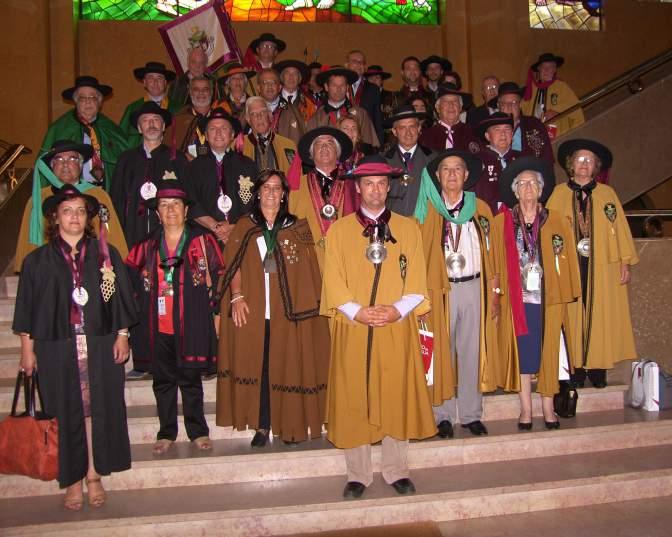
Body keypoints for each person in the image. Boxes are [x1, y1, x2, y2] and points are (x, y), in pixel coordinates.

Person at [14, 184, 137, 510]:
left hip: (98, 344)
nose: (74, 217)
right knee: (64, 411)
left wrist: (122, 334)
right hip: (57, 345)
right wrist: (28, 350)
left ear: (88, 218)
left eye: (81, 211)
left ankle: (94, 474)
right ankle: (72, 479)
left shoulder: (104, 255)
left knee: (96, 410)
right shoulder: (37, 261)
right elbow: (27, 308)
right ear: (55, 217)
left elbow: (121, 297)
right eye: (67, 211)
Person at [321, 155, 436, 499]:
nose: (375, 190)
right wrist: (356, 311)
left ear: (390, 187)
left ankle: (396, 469)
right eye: (368, 183)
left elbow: (417, 280)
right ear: (357, 189)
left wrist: (397, 311)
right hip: (354, 327)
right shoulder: (339, 231)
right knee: (353, 394)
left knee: (394, 392)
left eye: (381, 183)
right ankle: (358, 473)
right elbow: (333, 280)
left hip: (393, 327)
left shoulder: (407, 228)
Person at [216, 170, 330, 447]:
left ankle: (290, 425)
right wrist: (237, 297)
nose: (271, 193)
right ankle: (262, 426)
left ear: (283, 195)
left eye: (277, 188)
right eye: (266, 187)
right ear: (257, 192)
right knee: (262, 367)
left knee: (288, 366)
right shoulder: (245, 226)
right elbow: (234, 264)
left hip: (288, 313)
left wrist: (305, 311)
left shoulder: (298, 227)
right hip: (254, 311)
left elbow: (308, 273)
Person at [125, 180, 223, 455]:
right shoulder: (145, 245)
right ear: (157, 213)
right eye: (164, 205)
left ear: (186, 210)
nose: (170, 211)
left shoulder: (202, 241)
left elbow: (220, 275)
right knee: (163, 380)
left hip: (191, 323)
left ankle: (198, 431)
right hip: (157, 325)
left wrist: (215, 312)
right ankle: (166, 431)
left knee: (191, 380)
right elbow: (129, 280)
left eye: (176, 205)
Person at [414, 150, 499, 438]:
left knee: (472, 351)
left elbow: (493, 253)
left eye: (457, 169)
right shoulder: (426, 212)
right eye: (446, 169)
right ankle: (443, 415)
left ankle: (472, 414)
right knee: (442, 353)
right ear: (437, 176)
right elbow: (418, 255)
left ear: (466, 175)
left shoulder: (481, 209)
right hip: (441, 290)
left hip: (474, 287)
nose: (451, 174)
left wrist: (495, 290)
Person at [494, 157, 581, 430]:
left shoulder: (556, 220)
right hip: (517, 301)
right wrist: (496, 294)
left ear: (541, 189)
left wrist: (567, 291)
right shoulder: (502, 222)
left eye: (533, 183)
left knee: (549, 353)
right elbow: (495, 262)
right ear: (515, 191)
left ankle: (548, 407)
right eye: (522, 184)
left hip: (549, 299)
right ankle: (526, 409)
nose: (528, 188)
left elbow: (568, 260)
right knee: (524, 353)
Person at [546, 139, 638, 388]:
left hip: (601, 266)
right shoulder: (558, 193)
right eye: (579, 159)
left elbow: (619, 230)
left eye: (589, 161)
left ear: (596, 166)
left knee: (599, 313)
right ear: (570, 164)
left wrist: (625, 263)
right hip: (570, 266)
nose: (584, 164)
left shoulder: (608, 195)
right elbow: (548, 231)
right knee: (573, 314)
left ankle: (597, 367)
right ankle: (575, 367)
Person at [15, 140, 127, 273]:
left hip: (90, 268)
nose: (65, 164)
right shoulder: (39, 199)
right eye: (59, 159)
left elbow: (111, 234)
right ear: (52, 166)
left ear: (81, 165)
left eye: (72, 158)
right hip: (49, 270)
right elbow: (29, 242)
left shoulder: (98, 196)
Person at [110, 101, 188, 250]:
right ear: (139, 128)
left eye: (156, 120)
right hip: (133, 234)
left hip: (169, 234)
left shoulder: (177, 159)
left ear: (164, 126)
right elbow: (116, 200)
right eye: (145, 121)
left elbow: (187, 199)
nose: (151, 124)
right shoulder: (126, 160)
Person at [186, 108, 258, 244]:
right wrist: (215, 227)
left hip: (241, 236)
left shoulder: (248, 165)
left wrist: (234, 227)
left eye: (224, 128)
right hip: (205, 238)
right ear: (206, 136)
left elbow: (256, 203)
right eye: (213, 129)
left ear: (232, 134)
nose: (218, 133)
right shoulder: (193, 167)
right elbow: (190, 202)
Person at [41, 76, 127, 191]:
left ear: (100, 102)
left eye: (93, 97)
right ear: (75, 102)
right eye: (82, 98)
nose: (88, 101)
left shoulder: (111, 129)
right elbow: (43, 169)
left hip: (104, 192)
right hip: (70, 193)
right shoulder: (59, 129)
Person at [290, 127, 355, 269]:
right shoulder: (296, 187)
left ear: (338, 153)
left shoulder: (353, 185)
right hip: (308, 262)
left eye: (330, 143)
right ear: (311, 154)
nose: (324, 147)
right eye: (319, 143)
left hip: (346, 259)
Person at [307, 66, 380, 148]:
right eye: (334, 85)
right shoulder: (316, 118)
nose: (338, 89)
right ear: (326, 87)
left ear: (347, 87)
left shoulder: (360, 114)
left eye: (342, 85)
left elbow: (370, 145)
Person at [383, 105, 436, 216]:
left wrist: (399, 181)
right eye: (402, 128)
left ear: (419, 128)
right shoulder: (383, 160)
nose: (408, 133)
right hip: (394, 224)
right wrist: (409, 179)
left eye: (412, 126)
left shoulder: (433, 158)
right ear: (394, 131)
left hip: (425, 223)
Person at [522, 52, 584, 139]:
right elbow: (523, 110)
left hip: (557, 134)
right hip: (534, 135)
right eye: (544, 67)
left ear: (555, 70)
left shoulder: (561, 86)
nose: (547, 70)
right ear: (539, 69)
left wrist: (556, 111)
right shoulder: (531, 88)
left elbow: (575, 106)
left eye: (550, 67)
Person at [119, 61, 180, 148]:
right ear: (144, 82)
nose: (155, 82)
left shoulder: (178, 109)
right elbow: (120, 140)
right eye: (150, 78)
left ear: (165, 83)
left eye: (159, 78)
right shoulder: (133, 109)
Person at [490, 82, 553, 163]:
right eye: (505, 103)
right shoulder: (490, 128)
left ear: (520, 104)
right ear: (498, 105)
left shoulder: (534, 125)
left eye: (514, 102)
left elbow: (547, 157)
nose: (509, 107)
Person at [474, 112, 520, 213]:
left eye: (507, 129)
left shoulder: (523, 160)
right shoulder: (477, 161)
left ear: (512, 134)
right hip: (489, 218)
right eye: (497, 129)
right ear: (487, 136)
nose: (503, 134)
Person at [419, 84, 480, 155]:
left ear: (460, 108)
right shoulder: (425, 137)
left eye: (455, 101)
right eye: (446, 101)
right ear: (438, 108)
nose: (451, 105)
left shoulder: (473, 133)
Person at [243, 96, 297, 174]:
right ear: (248, 119)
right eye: (254, 114)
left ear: (270, 116)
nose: (259, 117)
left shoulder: (288, 146)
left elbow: (296, 180)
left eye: (263, 112)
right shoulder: (239, 146)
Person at [257, 67, 304, 146]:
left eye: (274, 82)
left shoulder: (290, 110)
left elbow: (296, 141)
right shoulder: (250, 108)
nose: (270, 86)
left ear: (279, 87)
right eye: (265, 82)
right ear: (258, 88)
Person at [171, 76, 214, 160]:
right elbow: (172, 150)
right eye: (196, 89)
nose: (201, 93)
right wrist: (184, 157)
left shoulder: (221, 118)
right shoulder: (179, 118)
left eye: (205, 89)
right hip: (186, 168)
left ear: (211, 93)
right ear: (190, 93)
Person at [345, 50, 383, 144]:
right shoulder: (339, 86)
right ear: (346, 65)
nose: (358, 64)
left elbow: (377, 119)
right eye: (354, 61)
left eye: (361, 62)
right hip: (343, 137)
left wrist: (379, 144)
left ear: (365, 67)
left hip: (366, 139)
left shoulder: (373, 89)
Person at [213, 63, 255, 130]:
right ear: (228, 83)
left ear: (245, 82)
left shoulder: (255, 103)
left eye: (241, 78)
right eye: (234, 78)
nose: (237, 81)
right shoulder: (218, 105)